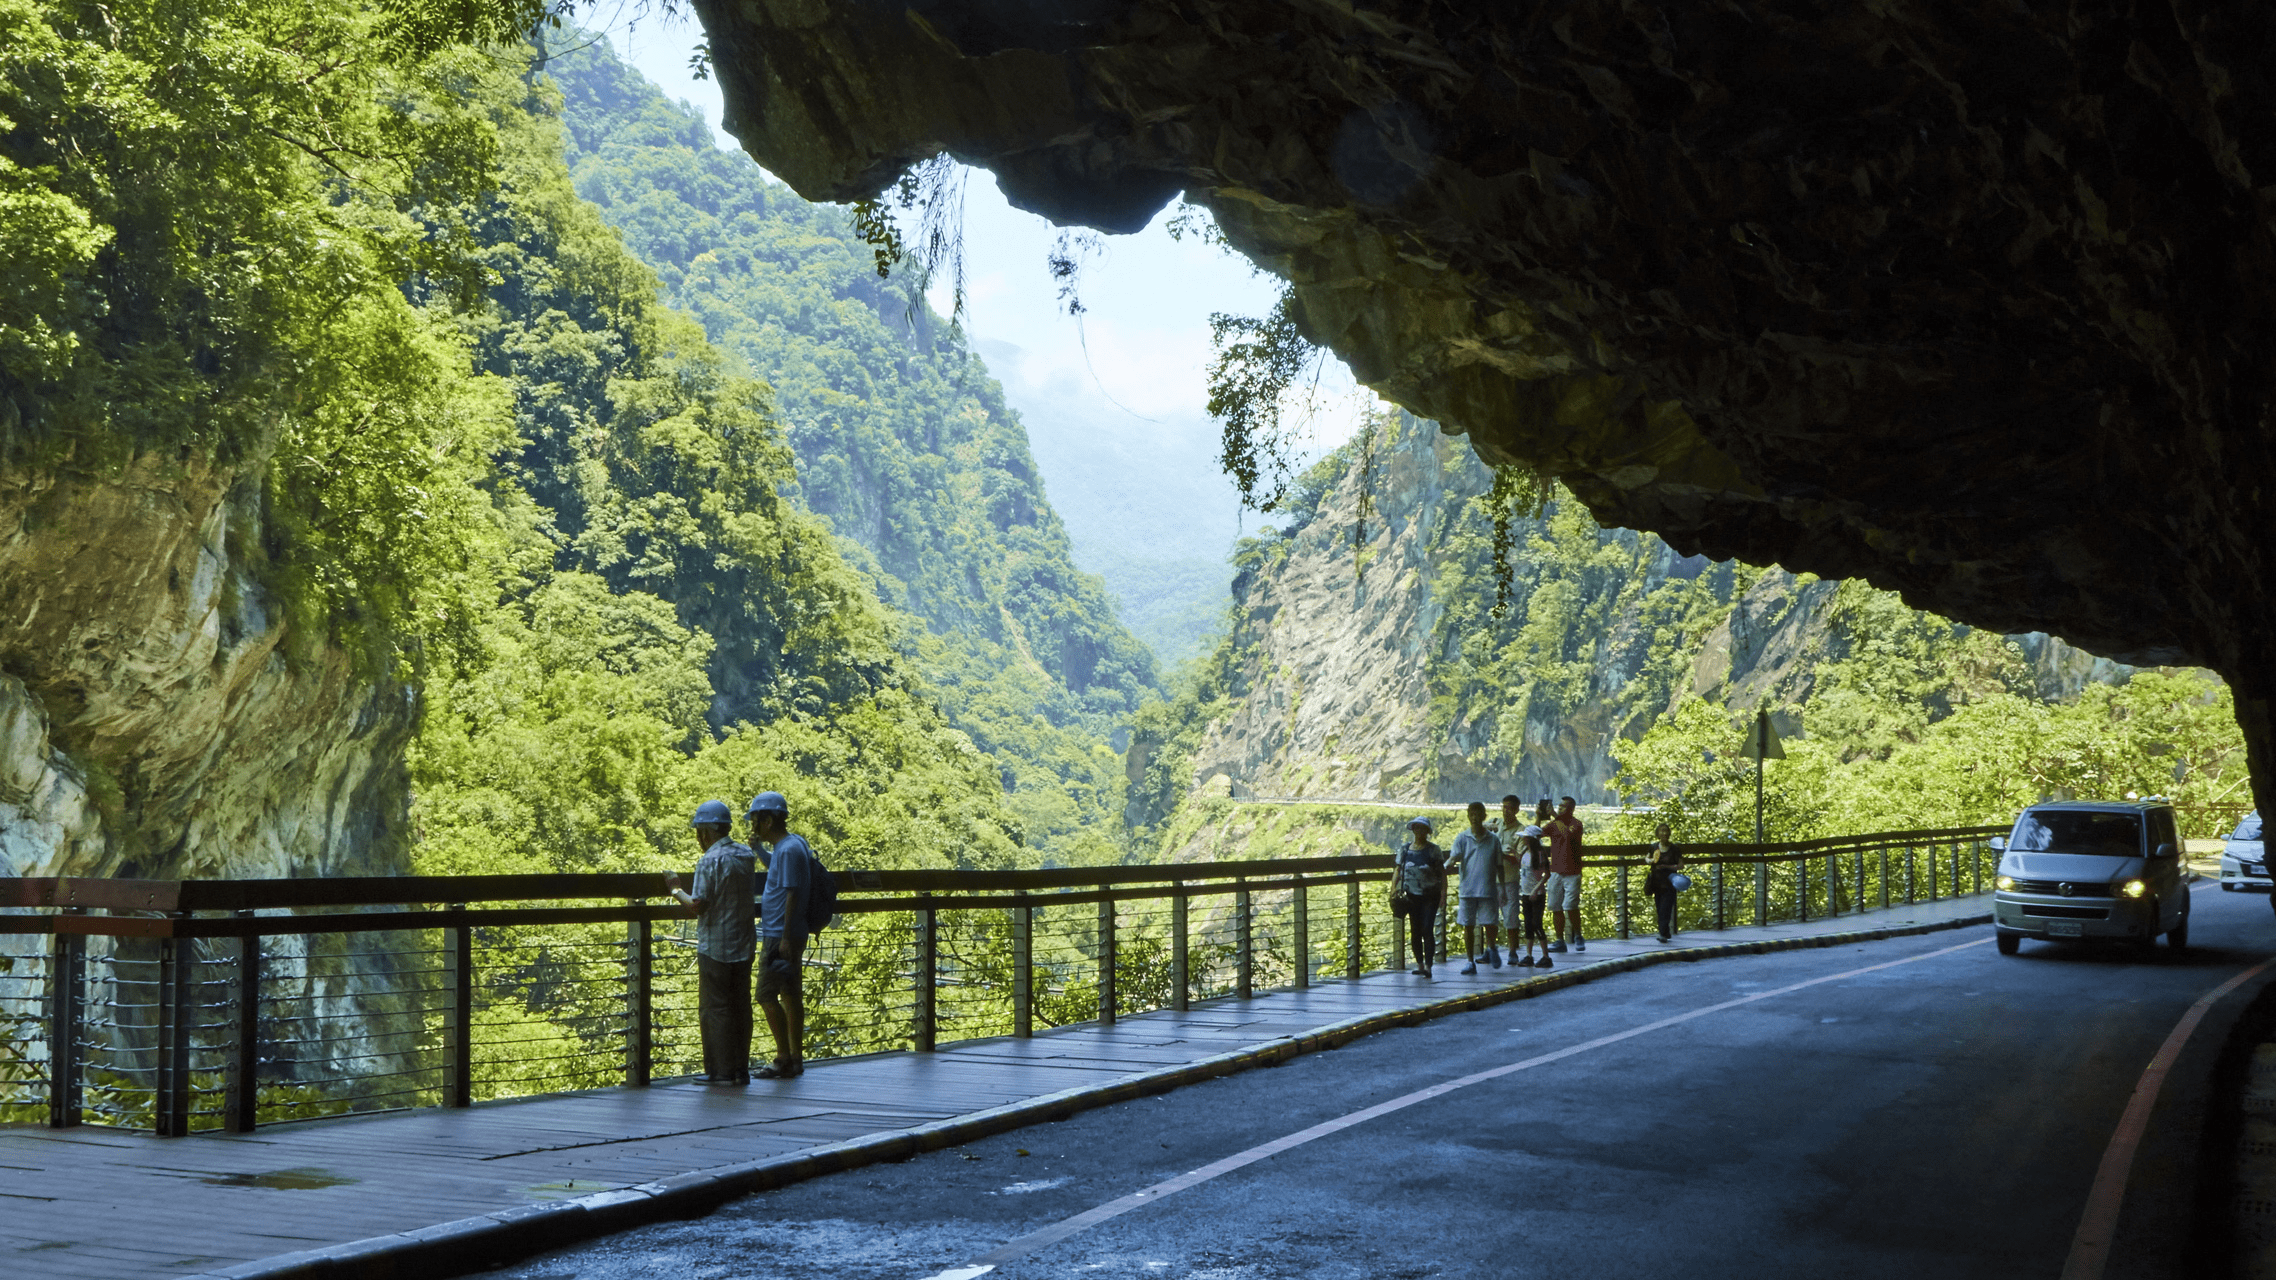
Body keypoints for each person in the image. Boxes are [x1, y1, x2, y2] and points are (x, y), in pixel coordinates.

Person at [664, 800, 756, 1085]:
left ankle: (720, 1072)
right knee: (741, 1006)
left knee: (715, 1010)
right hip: (743, 943)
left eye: (699, 832)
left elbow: (698, 905)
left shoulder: (709, 861)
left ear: (706, 832)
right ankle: (741, 1070)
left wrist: (675, 888)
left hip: (715, 945)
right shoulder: (746, 855)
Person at [747, 790, 812, 1080]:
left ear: (769, 820)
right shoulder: (794, 845)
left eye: (757, 821)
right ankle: (795, 1058)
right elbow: (778, 872)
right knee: (790, 994)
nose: (754, 826)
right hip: (790, 932)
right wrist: (759, 850)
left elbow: (791, 893)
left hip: (778, 935)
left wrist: (784, 937)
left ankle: (782, 1056)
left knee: (764, 994)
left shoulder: (787, 850)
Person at [1496, 796, 1551, 969]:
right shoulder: (1526, 854)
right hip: (1526, 893)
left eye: (1527, 837)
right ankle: (1528, 955)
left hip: (1536, 894)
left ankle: (1545, 955)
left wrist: (1536, 889)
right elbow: (1520, 861)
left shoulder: (1539, 855)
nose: (1524, 839)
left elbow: (1546, 873)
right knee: (1528, 924)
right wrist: (1513, 853)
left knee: (1536, 924)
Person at [1448, 801, 1502, 974]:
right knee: (1468, 926)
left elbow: (1499, 865)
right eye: (1472, 814)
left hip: (1488, 888)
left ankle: (1491, 947)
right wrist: (1443, 867)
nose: (1475, 818)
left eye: (1478, 814)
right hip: (1468, 889)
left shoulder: (1493, 840)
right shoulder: (1462, 838)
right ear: (1468, 816)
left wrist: (1501, 888)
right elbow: (1453, 857)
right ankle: (1470, 961)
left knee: (1490, 923)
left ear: (1484, 816)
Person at [1395, 817, 1448, 980]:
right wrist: (1393, 890)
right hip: (1411, 896)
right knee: (1415, 931)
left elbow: (1442, 873)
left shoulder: (1434, 850)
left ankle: (1428, 966)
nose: (1419, 831)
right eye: (1417, 828)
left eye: (1422, 829)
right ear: (1413, 830)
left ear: (1427, 831)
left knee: (1427, 928)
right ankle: (1419, 965)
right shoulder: (1404, 849)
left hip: (1430, 896)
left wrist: (1443, 894)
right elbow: (1397, 870)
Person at [1544, 794, 1587, 953]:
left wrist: (1555, 816)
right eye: (1559, 806)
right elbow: (1538, 834)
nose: (1559, 808)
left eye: (1563, 807)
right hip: (1555, 870)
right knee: (1555, 906)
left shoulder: (1576, 824)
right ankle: (1559, 940)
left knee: (1570, 905)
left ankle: (1578, 936)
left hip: (1572, 872)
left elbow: (1567, 835)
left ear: (1571, 809)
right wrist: (1537, 817)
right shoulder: (1554, 824)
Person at [1644, 821, 1684, 943]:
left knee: (1665, 908)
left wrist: (1668, 867)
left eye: (1666, 831)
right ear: (1657, 834)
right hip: (1656, 881)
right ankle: (1665, 932)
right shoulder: (1654, 846)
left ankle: (1662, 933)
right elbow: (1647, 858)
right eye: (1661, 831)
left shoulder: (1674, 848)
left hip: (1669, 881)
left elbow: (1681, 865)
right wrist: (1650, 861)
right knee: (1659, 907)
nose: (1664, 833)